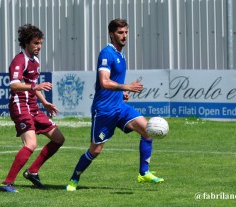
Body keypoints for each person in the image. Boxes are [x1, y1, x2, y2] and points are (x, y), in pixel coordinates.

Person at [66, 19, 164, 192]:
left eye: (126, 32)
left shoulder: (121, 54)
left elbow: (113, 82)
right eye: (120, 33)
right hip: (104, 110)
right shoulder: (106, 54)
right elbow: (104, 82)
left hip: (119, 107)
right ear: (112, 34)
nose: (124, 36)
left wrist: (121, 93)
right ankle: (74, 178)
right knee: (95, 150)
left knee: (147, 130)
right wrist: (126, 87)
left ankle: (144, 172)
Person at [0, 24, 65, 193]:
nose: (39, 47)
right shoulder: (19, 60)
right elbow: (14, 85)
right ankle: (7, 183)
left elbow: (34, 88)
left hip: (33, 107)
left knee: (58, 139)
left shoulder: (35, 61)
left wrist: (44, 102)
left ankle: (33, 171)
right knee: (31, 143)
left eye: (40, 43)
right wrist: (36, 86)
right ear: (27, 43)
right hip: (20, 106)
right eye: (36, 43)